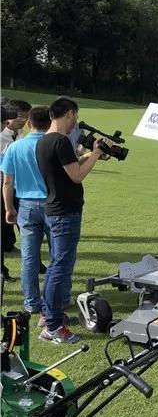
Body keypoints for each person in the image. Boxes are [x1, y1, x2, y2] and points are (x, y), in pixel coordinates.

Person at [36, 97, 108, 344]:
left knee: (56, 266)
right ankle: (53, 327)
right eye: (75, 116)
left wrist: (89, 155)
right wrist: (96, 154)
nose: (75, 122)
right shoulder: (61, 141)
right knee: (60, 269)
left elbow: (68, 167)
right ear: (68, 113)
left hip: (54, 209)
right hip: (65, 212)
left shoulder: (44, 141)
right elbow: (76, 176)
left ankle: (48, 317)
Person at [1, 106, 53, 326]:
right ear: (50, 123)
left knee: (29, 257)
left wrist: (8, 207)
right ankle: (57, 299)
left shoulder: (14, 147)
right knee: (57, 256)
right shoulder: (53, 144)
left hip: (26, 205)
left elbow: (7, 181)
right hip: (53, 204)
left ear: (30, 123)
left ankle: (32, 302)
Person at [1, 99, 31, 265]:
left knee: (23, 222)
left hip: (17, 185)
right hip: (4, 184)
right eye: (20, 116)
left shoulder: (19, 134)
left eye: (26, 116)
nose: (23, 120)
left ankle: (35, 262)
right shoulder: (1, 135)